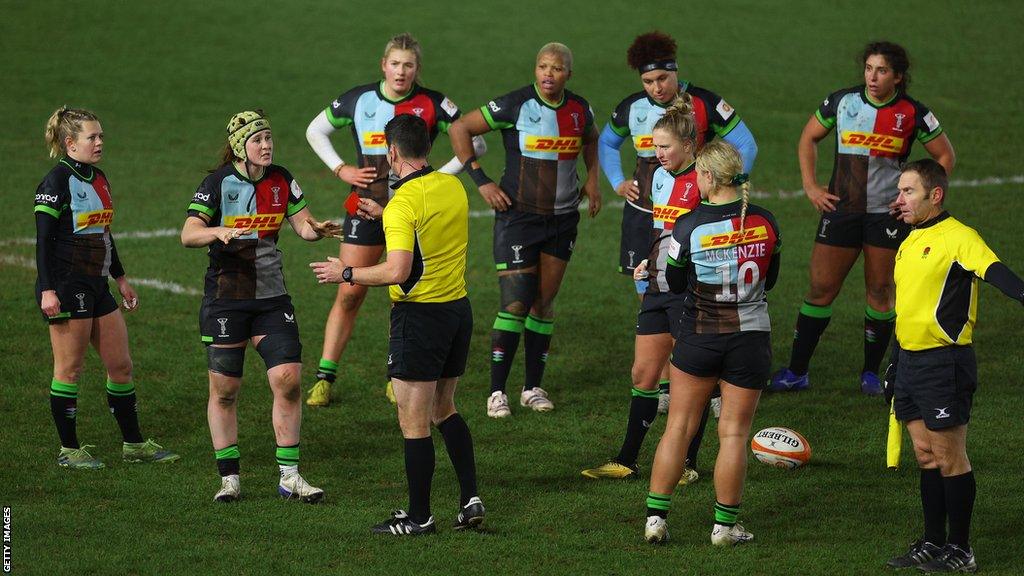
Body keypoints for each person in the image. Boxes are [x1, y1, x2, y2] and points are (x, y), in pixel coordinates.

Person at [311, 114, 483, 536]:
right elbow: (425, 231)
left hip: (419, 318)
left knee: (413, 421)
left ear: (391, 152)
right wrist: (387, 214)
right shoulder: (451, 186)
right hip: (457, 311)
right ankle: (470, 498)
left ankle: (420, 515)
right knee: (445, 409)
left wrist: (346, 273)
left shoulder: (404, 203)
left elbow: (398, 271)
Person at [304, 32, 486, 407]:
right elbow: (315, 129)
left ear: (417, 69)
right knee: (350, 292)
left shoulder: (434, 103)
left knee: (403, 293)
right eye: (395, 63)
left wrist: (441, 179)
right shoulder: (358, 99)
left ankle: (397, 374)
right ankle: (325, 376)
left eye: (408, 65)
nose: (401, 71)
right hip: (366, 210)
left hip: (416, 212)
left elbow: (476, 143)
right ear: (383, 65)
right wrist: (341, 169)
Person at [770, 41, 955, 395]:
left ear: (898, 77)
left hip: (886, 215)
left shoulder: (913, 113)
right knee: (821, 289)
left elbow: (945, 156)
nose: (872, 76)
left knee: (880, 291)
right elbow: (808, 138)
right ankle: (797, 371)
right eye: (869, 68)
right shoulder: (842, 102)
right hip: (841, 210)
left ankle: (871, 373)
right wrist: (810, 186)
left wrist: (916, 201)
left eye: (882, 70)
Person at [181, 110, 341, 503]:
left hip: (271, 298)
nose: (267, 146)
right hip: (226, 301)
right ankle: (229, 477)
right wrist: (216, 230)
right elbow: (188, 234)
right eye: (258, 141)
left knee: (288, 379)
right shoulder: (216, 183)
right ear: (240, 146)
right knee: (225, 390)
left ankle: (289, 476)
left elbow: (301, 225)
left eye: (269, 139)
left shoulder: (282, 179)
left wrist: (314, 230)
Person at [600, 31, 757, 414]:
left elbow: (747, 145)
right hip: (648, 220)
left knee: (698, 302)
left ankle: (715, 388)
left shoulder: (704, 103)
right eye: (648, 82)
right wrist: (617, 181)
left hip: (697, 221)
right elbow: (605, 142)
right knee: (652, 297)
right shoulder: (631, 108)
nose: (656, 88)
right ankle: (670, 385)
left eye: (662, 79)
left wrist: (725, 190)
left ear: (675, 72)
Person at [883, 160, 1024, 572]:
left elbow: (995, 271)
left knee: (949, 456)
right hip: (909, 361)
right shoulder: (910, 240)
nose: (900, 199)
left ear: (935, 195)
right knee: (926, 455)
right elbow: (907, 308)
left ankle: (961, 550)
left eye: (909, 191)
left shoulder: (960, 238)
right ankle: (932, 542)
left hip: (944, 363)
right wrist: (894, 362)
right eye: (900, 190)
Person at [448, 42, 601, 418]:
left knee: (543, 304)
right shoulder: (515, 104)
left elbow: (593, 139)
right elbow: (460, 127)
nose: (549, 74)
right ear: (535, 69)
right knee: (515, 303)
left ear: (569, 74)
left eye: (557, 68)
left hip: (563, 219)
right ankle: (496, 391)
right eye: (543, 67)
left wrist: (593, 180)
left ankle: (532, 387)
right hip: (518, 219)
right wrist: (481, 180)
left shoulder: (580, 110)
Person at [642, 141, 781, 546]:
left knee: (678, 428)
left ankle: (655, 519)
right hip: (750, 340)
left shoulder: (688, 226)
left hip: (699, 338)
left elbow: (678, 283)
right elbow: (769, 280)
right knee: (734, 433)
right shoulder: (767, 222)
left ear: (707, 176)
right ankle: (724, 527)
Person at [35, 106, 179, 470]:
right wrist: (47, 291)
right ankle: (69, 450)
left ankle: (133, 444)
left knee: (121, 365)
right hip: (67, 286)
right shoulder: (55, 183)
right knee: (69, 369)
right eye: (92, 137)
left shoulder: (99, 178)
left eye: (101, 136)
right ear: (70, 143)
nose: (100, 142)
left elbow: (104, 233)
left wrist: (121, 278)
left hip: (98, 285)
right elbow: (42, 242)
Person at [582, 98, 706, 484]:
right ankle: (627, 460)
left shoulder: (707, 179)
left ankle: (686, 463)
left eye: (665, 147)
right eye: (654, 146)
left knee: (689, 379)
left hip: (692, 291)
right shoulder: (660, 177)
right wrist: (648, 262)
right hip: (658, 284)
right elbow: (662, 230)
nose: (657, 154)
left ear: (689, 145)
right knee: (643, 373)